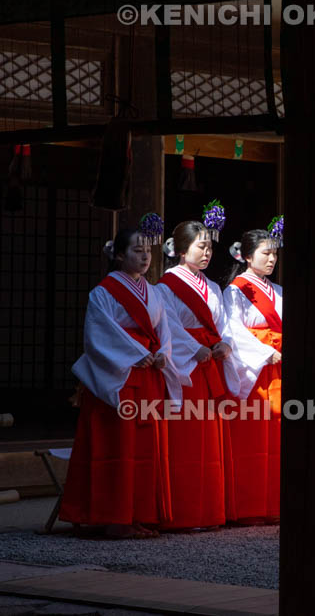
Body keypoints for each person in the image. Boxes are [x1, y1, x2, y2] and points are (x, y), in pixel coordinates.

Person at [60, 215, 184, 539]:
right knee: (117, 447)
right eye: (136, 251)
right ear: (118, 255)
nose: (144, 257)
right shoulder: (103, 292)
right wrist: (136, 354)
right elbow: (99, 335)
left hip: (148, 374)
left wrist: (163, 354)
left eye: (148, 252)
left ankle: (139, 514)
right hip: (119, 376)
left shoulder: (153, 292)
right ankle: (113, 517)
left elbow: (164, 331)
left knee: (144, 450)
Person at [157, 218, 250, 530]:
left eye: (210, 247)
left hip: (209, 364)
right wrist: (191, 347)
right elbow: (167, 324)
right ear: (182, 250)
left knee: (210, 442)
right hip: (186, 368)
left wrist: (224, 343)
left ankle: (209, 511)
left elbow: (222, 324)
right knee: (185, 441)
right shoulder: (166, 285)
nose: (208, 252)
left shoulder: (211, 287)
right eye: (201, 246)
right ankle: (183, 513)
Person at [222, 219, 284, 525]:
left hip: (279, 367)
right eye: (265, 254)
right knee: (253, 440)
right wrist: (264, 352)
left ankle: (274, 504)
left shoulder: (280, 291)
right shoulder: (235, 291)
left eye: (274, 254)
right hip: (255, 369)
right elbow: (232, 329)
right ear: (247, 256)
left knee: (279, 439)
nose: (271, 259)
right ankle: (248, 507)